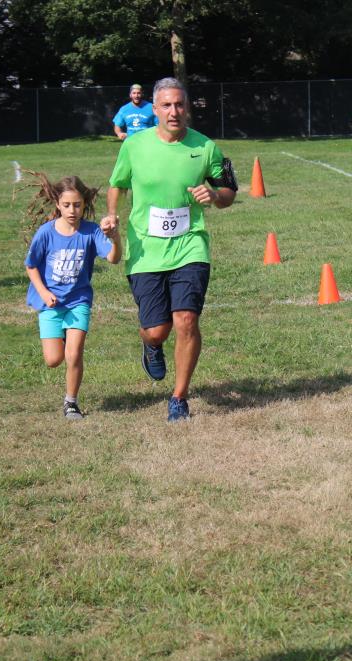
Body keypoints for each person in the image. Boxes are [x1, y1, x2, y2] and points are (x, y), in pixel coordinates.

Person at [101, 77, 237, 422]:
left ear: (187, 108)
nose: (173, 111)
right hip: (145, 249)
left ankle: (179, 397)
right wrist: (113, 214)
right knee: (157, 330)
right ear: (155, 109)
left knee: (187, 320)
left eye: (179, 104)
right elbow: (117, 185)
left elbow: (229, 191)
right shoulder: (134, 146)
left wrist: (215, 195)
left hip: (190, 245)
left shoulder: (206, 147)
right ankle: (151, 345)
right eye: (166, 105)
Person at [24, 173, 121, 420]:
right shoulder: (46, 233)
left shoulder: (91, 231)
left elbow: (114, 258)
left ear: (84, 204)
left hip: (78, 301)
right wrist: (44, 293)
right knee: (53, 360)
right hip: (51, 304)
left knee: (74, 354)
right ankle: (64, 337)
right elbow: (31, 266)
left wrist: (115, 237)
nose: (72, 210)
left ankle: (71, 402)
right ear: (57, 203)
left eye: (77, 205)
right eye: (66, 205)